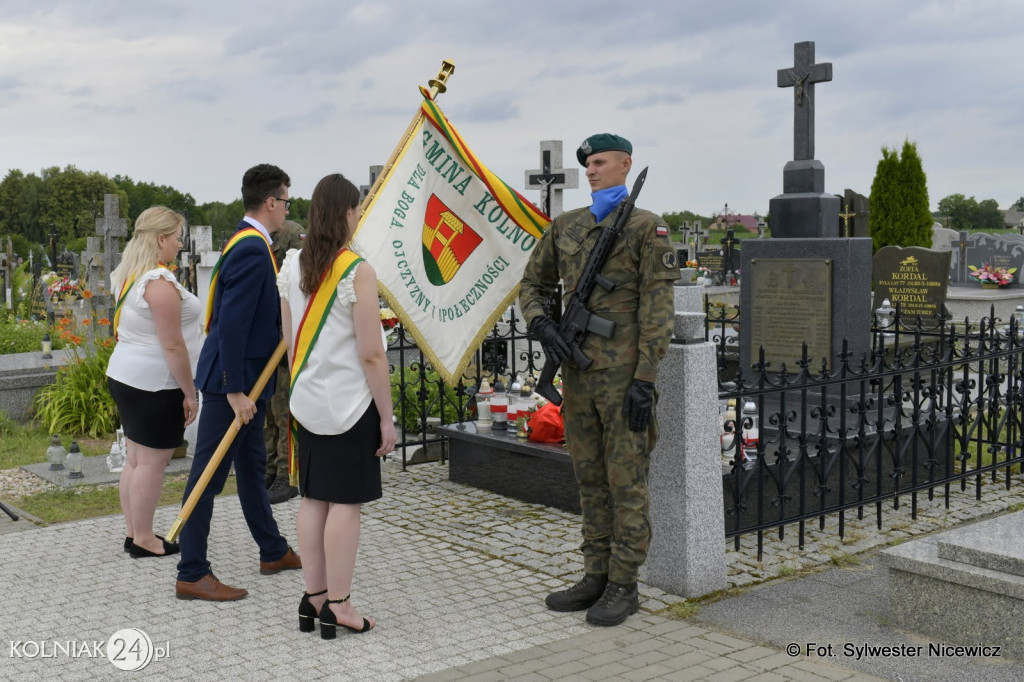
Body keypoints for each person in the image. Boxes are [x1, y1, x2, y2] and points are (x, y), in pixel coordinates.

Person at [519, 134, 679, 626]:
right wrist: (543, 324)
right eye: (587, 163)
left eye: (600, 162)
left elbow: (658, 308)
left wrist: (645, 379)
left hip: (624, 376)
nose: (591, 170)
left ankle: (624, 584)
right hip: (579, 376)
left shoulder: (646, 229)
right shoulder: (566, 227)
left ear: (625, 165)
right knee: (589, 479)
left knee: (626, 481)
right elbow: (533, 284)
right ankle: (595, 574)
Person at [175, 164, 301, 601]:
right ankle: (191, 571)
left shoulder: (250, 242)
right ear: (270, 202)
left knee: (250, 471)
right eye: (285, 200)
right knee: (207, 477)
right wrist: (233, 391)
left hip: (248, 382)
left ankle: (272, 549)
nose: (288, 208)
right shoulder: (251, 249)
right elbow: (230, 325)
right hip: (234, 384)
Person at [278, 173, 395, 638]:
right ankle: (341, 606)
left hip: (307, 399)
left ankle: (314, 597)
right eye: (358, 209)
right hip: (350, 403)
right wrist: (386, 416)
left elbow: (290, 345)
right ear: (348, 212)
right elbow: (371, 352)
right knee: (346, 503)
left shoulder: (291, 265)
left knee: (314, 499)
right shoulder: (356, 270)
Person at [107, 206, 201, 559]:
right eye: (177, 237)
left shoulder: (130, 273)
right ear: (161, 238)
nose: (179, 244)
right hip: (154, 384)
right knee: (152, 462)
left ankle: (135, 532)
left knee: (136, 459)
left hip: (127, 376)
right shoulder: (158, 283)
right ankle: (144, 538)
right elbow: (173, 344)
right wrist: (189, 393)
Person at [265, 219, 304, 504]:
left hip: (286, 337)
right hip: (269, 338)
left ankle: (286, 476)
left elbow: (297, 283)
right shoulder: (259, 237)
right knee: (269, 414)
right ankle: (268, 470)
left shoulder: (291, 233)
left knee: (284, 412)